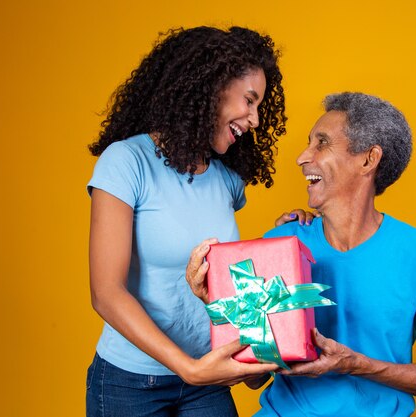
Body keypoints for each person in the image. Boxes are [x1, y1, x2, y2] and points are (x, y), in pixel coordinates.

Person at [188, 92, 416, 416]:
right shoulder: (282, 242)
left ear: (368, 159)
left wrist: (356, 364)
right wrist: (220, 302)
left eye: (321, 143)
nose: (302, 156)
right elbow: (253, 378)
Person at [86, 26, 305, 417]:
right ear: (210, 87)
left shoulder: (226, 180)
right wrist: (189, 368)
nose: (255, 119)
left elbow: (227, 274)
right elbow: (106, 292)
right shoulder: (126, 162)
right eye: (249, 100)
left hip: (207, 378)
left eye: (259, 107)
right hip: (132, 381)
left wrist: (282, 238)